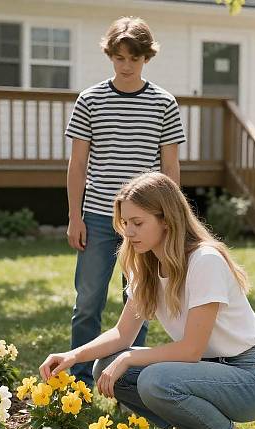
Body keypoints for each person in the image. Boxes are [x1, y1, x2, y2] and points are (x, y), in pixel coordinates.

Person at [40, 172, 255, 429]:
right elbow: (122, 334)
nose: (129, 232)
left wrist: (128, 358)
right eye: (125, 223)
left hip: (251, 377)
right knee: (107, 366)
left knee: (151, 377)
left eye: (138, 223)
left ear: (166, 219)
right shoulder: (147, 265)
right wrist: (72, 356)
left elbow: (190, 350)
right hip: (206, 370)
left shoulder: (204, 260)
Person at [65, 17, 186, 387]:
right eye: (119, 57)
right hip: (101, 217)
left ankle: (127, 378)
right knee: (88, 301)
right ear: (110, 56)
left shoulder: (164, 103)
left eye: (133, 58)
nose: (125, 65)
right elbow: (78, 163)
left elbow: (169, 166)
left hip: (147, 220)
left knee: (142, 301)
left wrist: (167, 220)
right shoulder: (90, 99)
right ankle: (81, 379)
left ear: (146, 58)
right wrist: (75, 217)